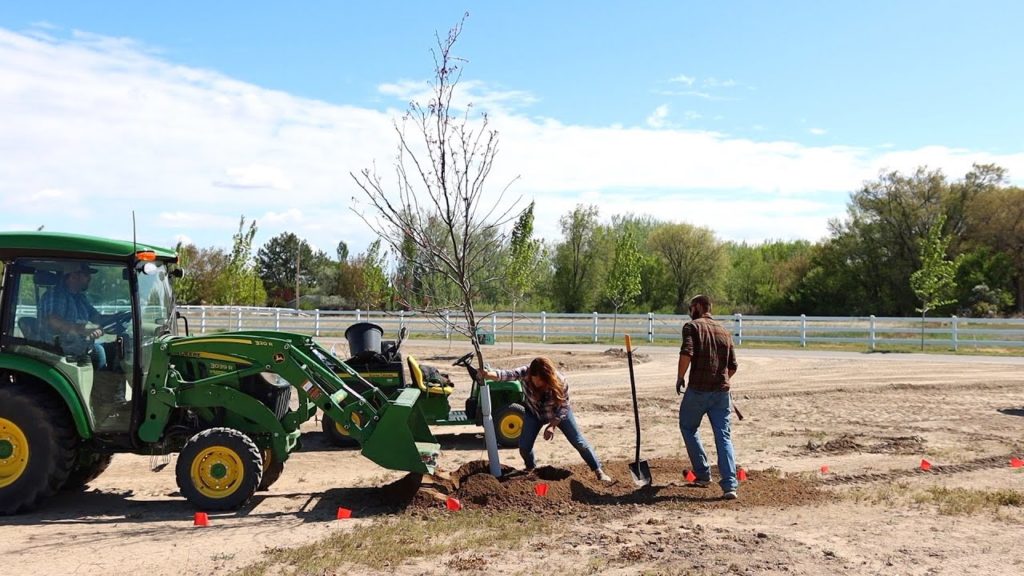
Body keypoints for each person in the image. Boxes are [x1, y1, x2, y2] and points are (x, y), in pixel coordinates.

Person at [483, 356, 614, 483]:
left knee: (579, 442)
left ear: (548, 377)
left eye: (540, 380)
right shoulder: (526, 372)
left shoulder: (560, 381)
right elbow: (506, 374)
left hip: (558, 413)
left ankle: (598, 471)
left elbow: (564, 406)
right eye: (534, 379)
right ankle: (531, 469)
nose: (536, 383)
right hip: (533, 412)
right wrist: (488, 374)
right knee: (524, 446)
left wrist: (552, 425)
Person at [676, 294, 739, 499]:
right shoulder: (724, 331)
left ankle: (703, 473)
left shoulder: (692, 327)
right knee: (723, 436)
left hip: (698, 390)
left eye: (691, 307)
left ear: (700, 307)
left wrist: (680, 377)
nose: (689, 310)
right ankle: (730, 485)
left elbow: (687, 352)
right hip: (721, 393)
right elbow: (733, 366)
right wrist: (721, 380)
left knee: (688, 426)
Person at [38, 262, 110, 369]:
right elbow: (53, 320)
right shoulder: (56, 294)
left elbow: (96, 316)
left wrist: (115, 318)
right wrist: (81, 329)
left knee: (110, 349)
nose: (90, 278)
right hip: (60, 351)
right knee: (100, 353)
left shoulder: (80, 298)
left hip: (81, 347)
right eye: (86, 275)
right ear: (73, 276)